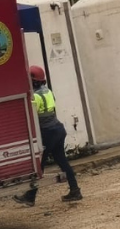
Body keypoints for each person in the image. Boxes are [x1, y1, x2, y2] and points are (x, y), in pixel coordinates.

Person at [14, 65, 81, 207]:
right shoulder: (49, 92)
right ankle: (75, 190)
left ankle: (30, 197)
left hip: (47, 133)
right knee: (63, 162)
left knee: (39, 165)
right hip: (58, 129)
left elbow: (29, 115)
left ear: (34, 81)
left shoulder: (35, 97)